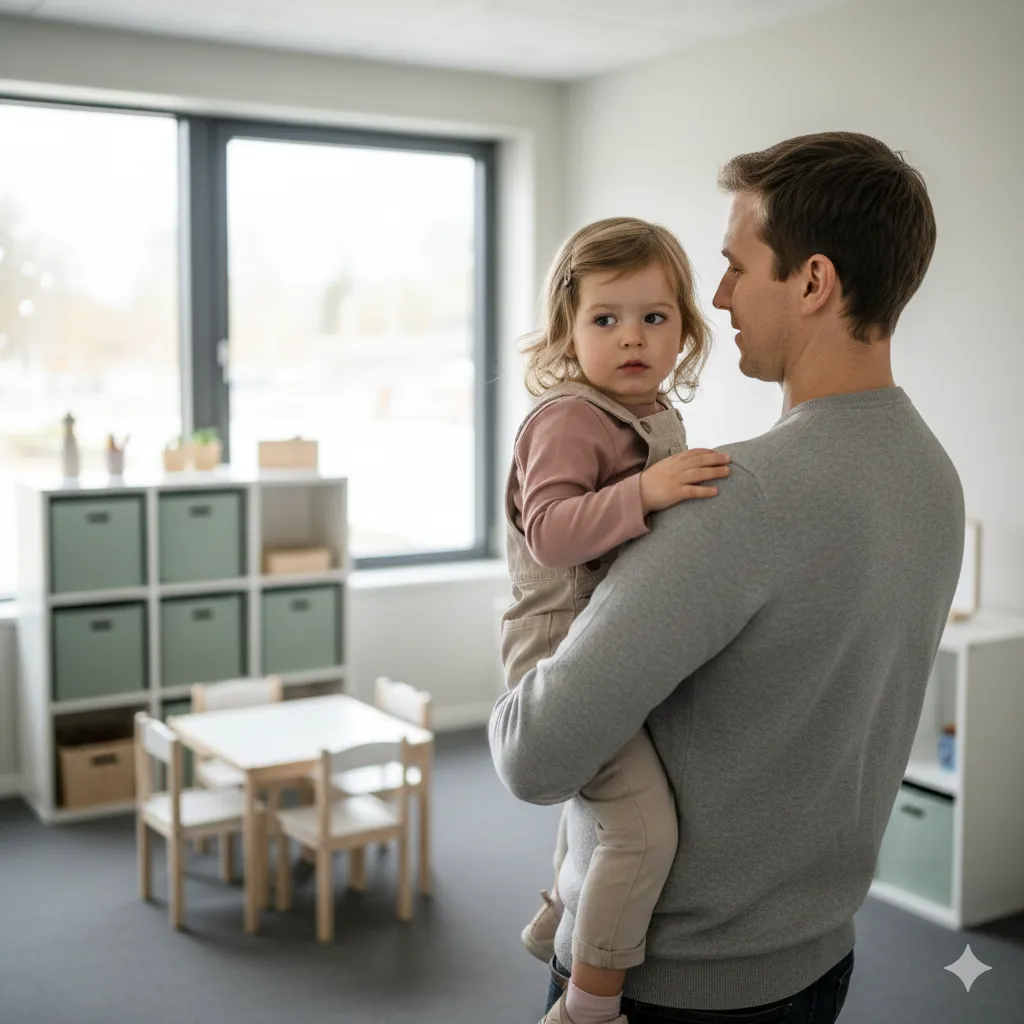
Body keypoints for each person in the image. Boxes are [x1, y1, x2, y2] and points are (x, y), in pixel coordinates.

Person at [490, 131, 965, 1024]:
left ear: (813, 282)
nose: (716, 297)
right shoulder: (932, 478)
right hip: (817, 959)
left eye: (736, 266)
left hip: (674, 985)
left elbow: (533, 754)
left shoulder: (735, 498)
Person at [499, 216, 731, 1024]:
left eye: (653, 317)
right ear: (568, 328)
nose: (632, 337)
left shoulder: (652, 411)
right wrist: (647, 491)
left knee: (600, 798)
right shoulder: (567, 418)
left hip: (616, 637)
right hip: (559, 649)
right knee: (641, 831)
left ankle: (559, 915)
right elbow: (552, 533)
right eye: (605, 319)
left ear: (684, 330)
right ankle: (589, 1004)